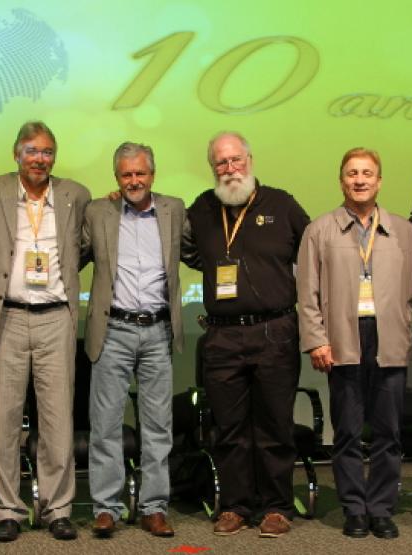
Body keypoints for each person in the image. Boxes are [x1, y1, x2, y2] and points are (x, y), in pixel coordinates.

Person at [0, 121, 91, 542]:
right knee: (4, 418)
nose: (40, 159)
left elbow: (86, 247)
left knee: (58, 419)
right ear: (16, 153)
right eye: (33, 151)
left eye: (48, 152)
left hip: (57, 316)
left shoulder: (76, 195)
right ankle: (8, 510)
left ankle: (57, 508)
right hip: (9, 317)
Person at [185, 131, 310, 538]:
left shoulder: (281, 204)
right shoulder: (201, 209)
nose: (230, 168)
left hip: (275, 331)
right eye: (221, 163)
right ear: (212, 168)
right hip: (222, 337)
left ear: (250, 160)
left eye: (236, 160)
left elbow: (311, 251)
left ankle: (275, 506)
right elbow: (188, 252)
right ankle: (236, 505)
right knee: (230, 426)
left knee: (275, 423)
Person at [297, 148, 412, 539]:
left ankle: (380, 508)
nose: (360, 179)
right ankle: (354, 509)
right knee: (346, 429)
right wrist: (316, 340)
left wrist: (406, 331)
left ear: (379, 181)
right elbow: (307, 293)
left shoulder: (404, 231)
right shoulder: (319, 230)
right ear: (341, 180)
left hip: (389, 338)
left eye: (367, 173)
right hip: (343, 338)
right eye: (352, 173)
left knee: (389, 430)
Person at [82, 142, 188, 538]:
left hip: (158, 330)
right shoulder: (99, 211)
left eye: (140, 173)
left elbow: (196, 250)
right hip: (113, 330)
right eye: (126, 175)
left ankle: (154, 507)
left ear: (152, 175)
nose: (134, 180)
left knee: (158, 425)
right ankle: (107, 508)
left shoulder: (174, 209)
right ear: (117, 178)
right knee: (105, 424)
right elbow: (71, 253)